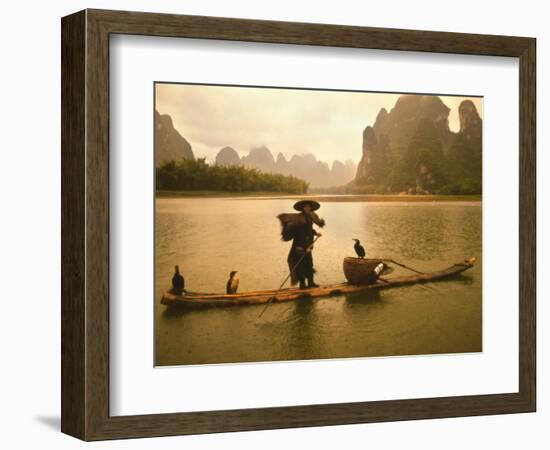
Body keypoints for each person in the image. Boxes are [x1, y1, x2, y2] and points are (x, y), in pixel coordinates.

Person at [277, 200, 325, 289]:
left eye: (309, 207)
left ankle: (311, 283)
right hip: (299, 246)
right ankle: (303, 285)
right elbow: (300, 233)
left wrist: (315, 233)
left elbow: (309, 229)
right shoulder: (299, 219)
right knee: (301, 266)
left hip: (308, 246)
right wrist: (304, 247)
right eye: (306, 207)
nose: (308, 208)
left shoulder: (310, 217)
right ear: (303, 208)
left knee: (309, 265)